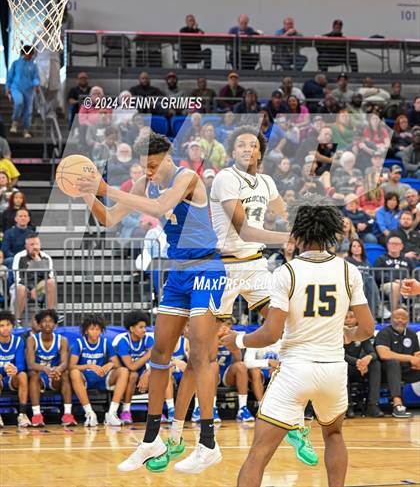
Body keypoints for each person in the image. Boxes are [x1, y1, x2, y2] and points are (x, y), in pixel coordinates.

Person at [146, 127, 316, 473]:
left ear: (259, 153)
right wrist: (292, 236)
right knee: (200, 356)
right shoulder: (225, 178)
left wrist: (311, 222)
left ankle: (297, 422)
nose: (245, 148)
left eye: (251, 144)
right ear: (233, 151)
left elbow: (286, 212)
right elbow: (244, 230)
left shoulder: (266, 182)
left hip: (254, 266)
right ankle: (177, 438)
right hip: (219, 267)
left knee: (294, 330)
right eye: (239, 143)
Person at [77, 132, 226, 474]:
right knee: (159, 354)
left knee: (200, 355)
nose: (150, 172)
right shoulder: (147, 182)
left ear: (168, 157)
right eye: (145, 167)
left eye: (154, 166)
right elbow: (109, 218)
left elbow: (160, 208)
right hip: (178, 272)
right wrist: (87, 194)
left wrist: (106, 188)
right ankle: (151, 439)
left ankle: (208, 442)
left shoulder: (187, 176)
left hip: (206, 268)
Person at [221, 198, 374, 487]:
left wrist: (237, 337)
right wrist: (348, 335)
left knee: (259, 453)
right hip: (332, 369)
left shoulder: (287, 272)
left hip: (296, 369)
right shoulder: (348, 271)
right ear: (331, 233)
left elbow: (271, 333)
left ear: (299, 234)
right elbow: (366, 328)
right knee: (334, 435)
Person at [69, 313, 129, 427]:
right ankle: (90, 413)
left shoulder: (106, 343)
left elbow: (117, 364)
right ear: (86, 331)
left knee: (124, 371)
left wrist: (110, 365)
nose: (95, 332)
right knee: (74, 373)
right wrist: (88, 366)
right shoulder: (79, 343)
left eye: (97, 329)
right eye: (92, 329)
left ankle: (112, 413)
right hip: (85, 379)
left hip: (103, 378)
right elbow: (71, 366)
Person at [26, 309, 76, 427]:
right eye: (44, 321)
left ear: (55, 324)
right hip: (40, 377)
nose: (47, 324)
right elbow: (31, 364)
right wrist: (45, 369)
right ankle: (37, 415)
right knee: (33, 374)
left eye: (51, 321)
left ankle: (67, 414)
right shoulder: (32, 340)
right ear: (39, 324)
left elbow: (64, 363)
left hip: (54, 376)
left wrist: (57, 369)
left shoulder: (62, 340)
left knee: (65, 373)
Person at [375, 307, 420, 418]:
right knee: (393, 362)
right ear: (391, 319)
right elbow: (383, 354)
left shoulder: (412, 335)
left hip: (407, 371)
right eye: (397, 317)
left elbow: (417, 355)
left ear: (407, 320)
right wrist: (410, 358)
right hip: (385, 372)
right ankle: (397, 404)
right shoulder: (384, 333)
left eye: (403, 318)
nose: (400, 320)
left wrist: (417, 362)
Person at [112, 311, 154, 425]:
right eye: (141, 327)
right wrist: (148, 354)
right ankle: (126, 411)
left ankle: (155, 412)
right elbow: (131, 366)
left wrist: (147, 374)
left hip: (144, 373)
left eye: (145, 327)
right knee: (133, 375)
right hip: (126, 376)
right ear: (131, 328)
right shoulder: (123, 341)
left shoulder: (149, 339)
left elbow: (155, 363)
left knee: (156, 375)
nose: (144, 330)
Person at [344, 310, 383, 418]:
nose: (348, 319)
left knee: (375, 363)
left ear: (357, 319)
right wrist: (358, 362)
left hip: (361, 369)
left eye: (351, 316)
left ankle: (372, 405)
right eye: (345, 317)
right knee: (341, 365)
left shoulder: (362, 332)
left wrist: (368, 358)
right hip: (346, 367)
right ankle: (347, 406)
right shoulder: (337, 332)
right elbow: (339, 354)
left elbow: (373, 352)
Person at [12, 233, 57, 324]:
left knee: (51, 282)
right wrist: (31, 288)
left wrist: (39, 262)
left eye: (37, 244)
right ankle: (17, 321)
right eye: (32, 245)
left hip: (40, 287)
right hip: (23, 285)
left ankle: (51, 317)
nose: (35, 247)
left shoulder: (46, 257)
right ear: (26, 246)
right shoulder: (19, 256)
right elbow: (17, 277)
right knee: (20, 288)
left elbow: (49, 276)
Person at [0, 311, 31, 427]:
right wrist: (4, 369)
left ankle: (22, 414)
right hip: (1, 377)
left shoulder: (18, 341)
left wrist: (15, 370)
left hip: (12, 378)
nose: (5, 328)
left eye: (8, 325)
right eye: (1, 326)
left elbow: (21, 365)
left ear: (12, 326)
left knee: (22, 375)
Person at [6, 45, 40, 138]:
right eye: (28, 54)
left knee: (28, 111)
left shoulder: (34, 65)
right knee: (19, 103)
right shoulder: (16, 63)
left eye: (31, 55)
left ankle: (26, 130)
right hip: (16, 88)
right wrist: (7, 88)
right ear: (24, 53)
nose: (30, 56)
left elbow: (36, 77)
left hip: (29, 90)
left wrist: (36, 84)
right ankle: (14, 122)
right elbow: (10, 76)